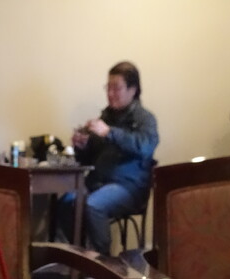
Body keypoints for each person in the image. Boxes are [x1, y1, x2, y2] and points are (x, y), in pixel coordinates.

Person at [60, 61, 159, 256]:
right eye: (108, 88)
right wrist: (82, 146)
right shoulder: (105, 117)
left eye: (117, 88)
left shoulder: (145, 118)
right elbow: (89, 159)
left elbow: (145, 146)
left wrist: (109, 133)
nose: (111, 93)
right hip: (98, 182)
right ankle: (82, 253)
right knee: (66, 202)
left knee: (93, 204)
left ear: (133, 90)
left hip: (129, 187)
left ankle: (102, 262)